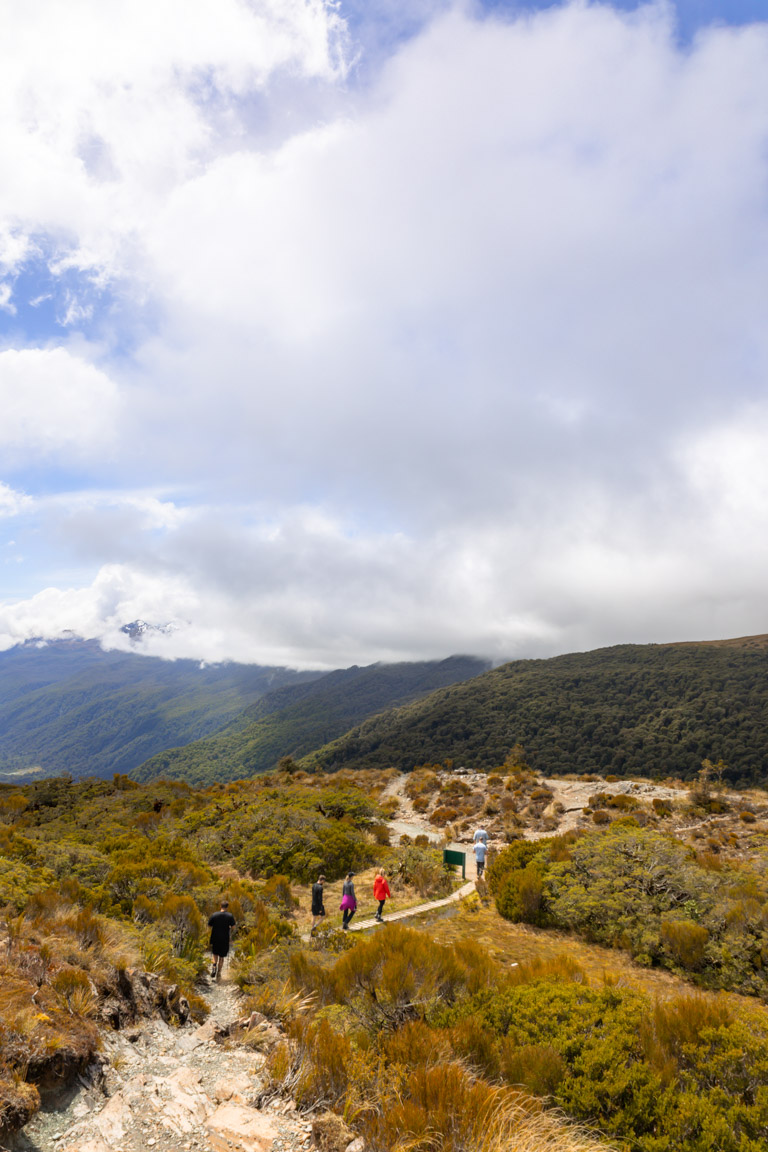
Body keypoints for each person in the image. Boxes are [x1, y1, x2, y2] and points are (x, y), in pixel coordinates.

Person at [208, 900, 236, 979]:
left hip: (215, 937)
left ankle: (214, 967)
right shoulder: (230, 916)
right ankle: (219, 973)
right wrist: (229, 927)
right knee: (221, 957)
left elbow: (209, 925)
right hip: (224, 939)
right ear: (227, 907)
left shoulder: (214, 915)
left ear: (220, 906)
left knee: (214, 954)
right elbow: (233, 927)